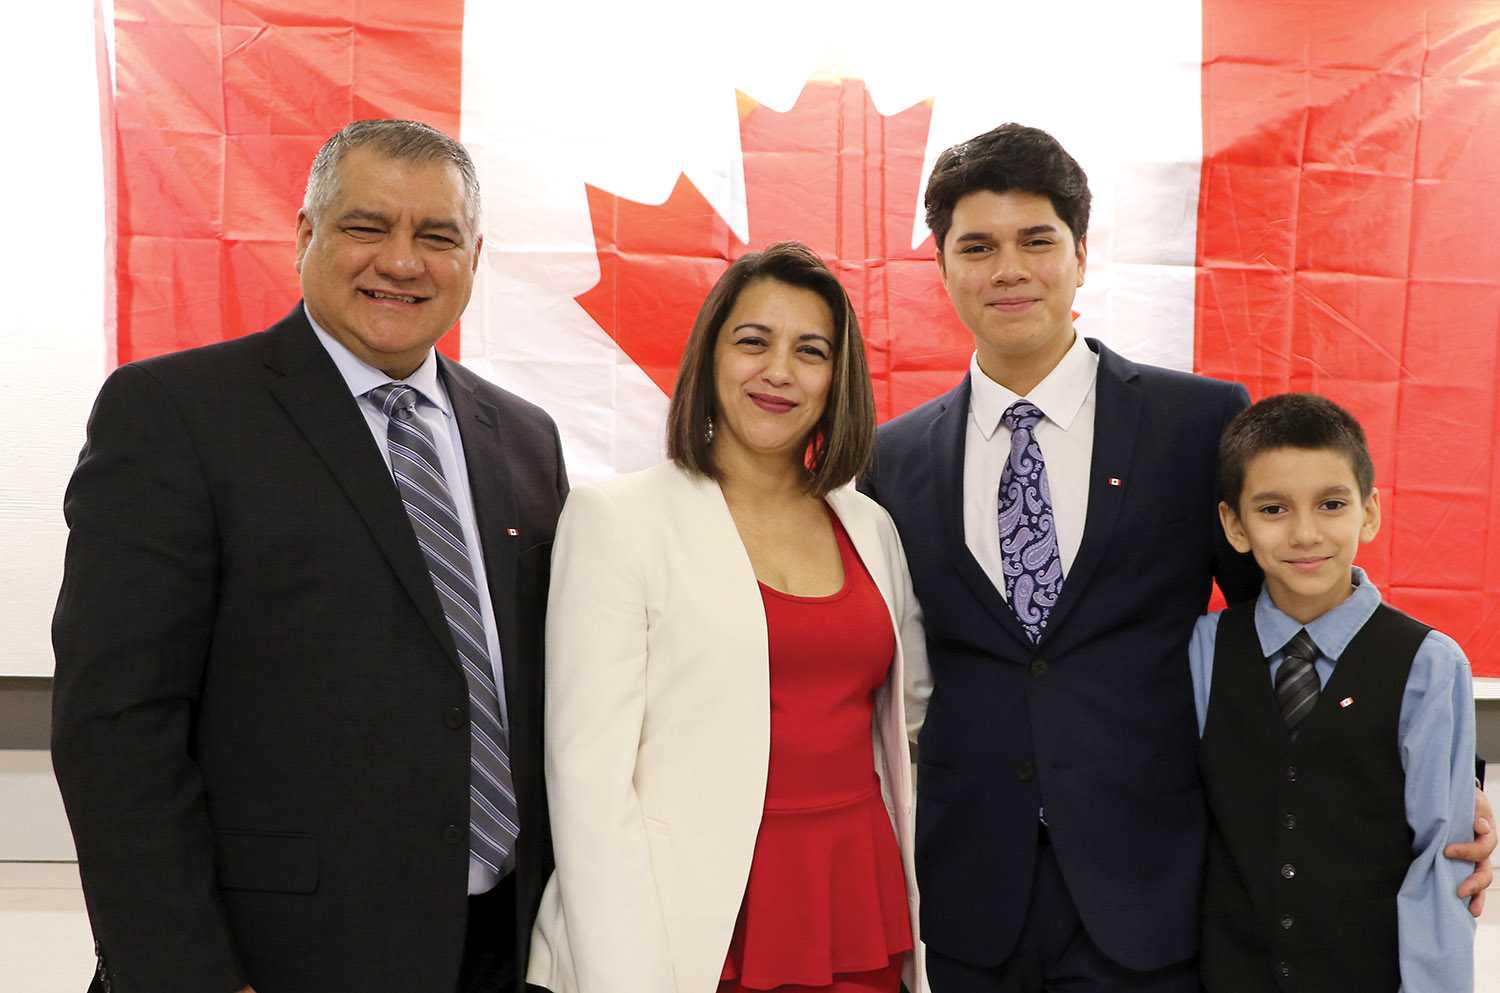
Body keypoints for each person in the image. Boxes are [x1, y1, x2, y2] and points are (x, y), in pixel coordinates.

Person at [861, 123, 1494, 991]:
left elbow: (1291, 623)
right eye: (978, 246)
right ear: (943, 268)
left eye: (1037, 240)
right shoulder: (890, 460)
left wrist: (1438, 775)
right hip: (970, 898)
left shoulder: (1195, 424)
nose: (1009, 268)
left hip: (1155, 898)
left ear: (1081, 253)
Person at [51, 120, 567, 993]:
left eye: (436, 236)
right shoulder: (176, 415)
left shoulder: (523, 437)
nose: (402, 262)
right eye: (368, 226)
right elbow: (115, 732)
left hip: (500, 949)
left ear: (472, 256)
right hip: (277, 959)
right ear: (304, 235)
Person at [526, 242, 929, 993]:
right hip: (693, 929)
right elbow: (587, 784)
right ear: (710, 354)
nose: (779, 371)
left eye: (810, 350)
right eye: (753, 341)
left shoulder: (869, 523)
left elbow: (905, 724)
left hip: (855, 901)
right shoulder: (617, 518)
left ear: (838, 379)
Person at [1192, 393, 1476, 992]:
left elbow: (1439, 862)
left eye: (1331, 504)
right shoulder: (1205, 650)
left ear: (1369, 513)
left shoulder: (1429, 664)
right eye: (1272, 509)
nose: (1304, 533)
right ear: (1234, 526)